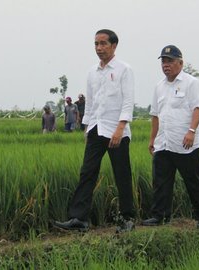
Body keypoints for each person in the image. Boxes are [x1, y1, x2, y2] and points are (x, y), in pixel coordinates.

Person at [53, 29, 136, 233]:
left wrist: (120, 128)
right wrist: (87, 127)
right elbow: (90, 102)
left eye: (103, 44)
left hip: (117, 132)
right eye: (96, 44)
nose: (99, 48)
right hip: (96, 129)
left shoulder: (125, 70)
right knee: (87, 172)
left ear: (114, 45)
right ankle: (79, 219)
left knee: (122, 174)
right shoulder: (92, 72)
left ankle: (128, 218)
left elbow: (128, 101)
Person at [141, 45, 199, 229]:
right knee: (161, 182)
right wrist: (152, 140)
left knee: (193, 180)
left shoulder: (191, 83)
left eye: (170, 61)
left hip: (185, 143)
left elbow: (198, 108)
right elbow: (155, 115)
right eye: (163, 61)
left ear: (180, 63)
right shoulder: (159, 87)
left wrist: (191, 131)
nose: (166, 65)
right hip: (163, 143)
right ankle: (160, 216)